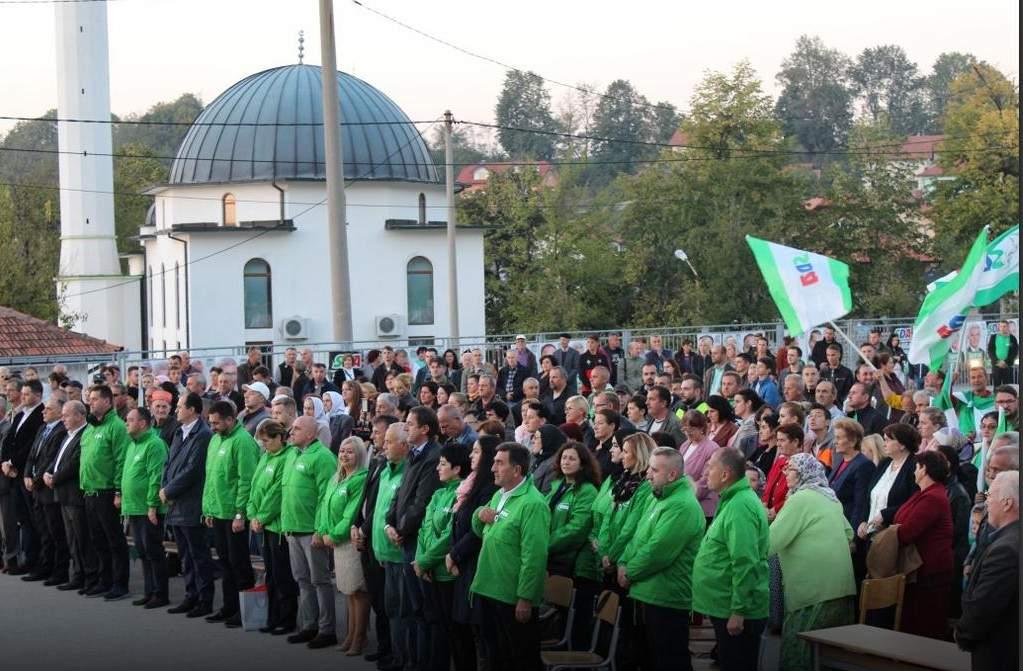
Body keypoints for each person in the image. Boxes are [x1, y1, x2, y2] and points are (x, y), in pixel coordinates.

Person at [617, 446, 704, 671]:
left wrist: (630, 571)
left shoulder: (682, 505)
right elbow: (638, 535)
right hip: (648, 592)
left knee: (669, 660)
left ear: (672, 475)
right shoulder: (658, 496)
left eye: (654, 470)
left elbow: (658, 551)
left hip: (667, 597)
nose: (647, 474)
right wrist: (623, 561)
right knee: (648, 659)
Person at [770, 453, 856, 668]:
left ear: (802, 474)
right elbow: (849, 534)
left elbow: (770, 542)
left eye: (790, 470)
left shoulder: (801, 499)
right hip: (840, 589)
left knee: (800, 657)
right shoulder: (829, 497)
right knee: (830, 659)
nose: (785, 473)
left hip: (813, 592)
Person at [471, 442, 550, 671]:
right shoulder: (499, 494)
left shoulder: (533, 504)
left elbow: (534, 556)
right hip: (488, 588)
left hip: (511, 597)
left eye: (499, 463)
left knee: (518, 659)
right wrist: (478, 515)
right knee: (494, 657)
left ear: (517, 470)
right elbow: (481, 530)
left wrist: (525, 597)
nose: (493, 468)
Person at [693, 446, 770, 671]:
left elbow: (745, 561)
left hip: (736, 609)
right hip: (724, 604)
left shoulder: (740, 506)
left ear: (725, 474)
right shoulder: (732, 499)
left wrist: (739, 610)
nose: (705, 472)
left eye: (710, 467)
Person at [280, 415, 338, 648]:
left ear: (311, 434)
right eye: (292, 427)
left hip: (310, 530)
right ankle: (309, 625)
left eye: (297, 428)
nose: (291, 431)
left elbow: (327, 497)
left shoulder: (323, 457)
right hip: (292, 527)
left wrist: (319, 528)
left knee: (320, 580)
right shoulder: (292, 453)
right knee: (302, 579)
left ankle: (327, 630)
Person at [201, 400, 259, 628]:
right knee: (224, 562)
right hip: (218, 511)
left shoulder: (242, 441)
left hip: (234, 514)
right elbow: (211, 477)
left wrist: (239, 513)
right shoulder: (215, 439)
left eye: (216, 423)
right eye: (210, 422)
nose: (212, 427)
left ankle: (245, 610)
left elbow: (246, 480)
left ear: (229, 419)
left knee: (239, 563)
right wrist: (208, 508)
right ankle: (229, 606)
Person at [413, 443, 470, 671]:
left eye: (443, 464)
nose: (438, 468)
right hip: (428, 571)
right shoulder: (438, 494)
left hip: (446, 575)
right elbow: (424, 529)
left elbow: (449, 536)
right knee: (432, 625)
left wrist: (425, 560)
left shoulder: (460, 494)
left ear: (457, 469)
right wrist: (421, 560)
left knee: (450, 631)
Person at [955, 470, 1019, 671]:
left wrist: (962, 635)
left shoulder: (1006, 550)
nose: (986, 503)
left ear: (1007, 503)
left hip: (999, 653)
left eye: (990, 495)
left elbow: (982, 608)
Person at [446, 436, 500, 671]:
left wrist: (454, 554)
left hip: (475, 564)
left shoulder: (489, 488)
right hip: (463, 563)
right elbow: (458, 522)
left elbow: (476, 532)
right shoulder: (472, 483)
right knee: (460, 629)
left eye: (476, 452)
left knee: (477, 633)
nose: (471, 456)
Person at [161, 392, 216, 616]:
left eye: (180, 406)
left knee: (198, 555)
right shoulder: (178, 432)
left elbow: (193, 470)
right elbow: (170, 463)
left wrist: (169, 490)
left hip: (191, 503)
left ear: (192, 409)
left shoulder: (202, 435)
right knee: (185, 555)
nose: (176, 410)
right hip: (176, 503)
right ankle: (190, 595)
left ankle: (204, 600)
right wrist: (165, 485)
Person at [892, 450, 954, 639]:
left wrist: (891, 531)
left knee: (925, 627)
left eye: (916, 467)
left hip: (930, 573)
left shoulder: (933, 497)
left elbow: (908, 531)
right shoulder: (924, 493)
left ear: (924, 469)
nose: (913, 472)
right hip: (918, 571)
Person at [545, 442, 601, 649]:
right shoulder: (558, 486)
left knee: (577, 623)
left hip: (577, 567)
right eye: (564, 457)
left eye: (572, 458)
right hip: (557, 562)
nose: (566, 462)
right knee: (559, 620)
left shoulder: (587, 491)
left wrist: (544, 545)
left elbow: (576, 530)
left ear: (583, 463)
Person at [317, 435, 369, 655]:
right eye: (341, 451)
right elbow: (324, 504)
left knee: (358, 591)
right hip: (335, 540)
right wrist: (322, 531)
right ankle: (350, 634)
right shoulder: (336, 477)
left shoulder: (360, 479)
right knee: (348, 591)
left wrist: (334, 535)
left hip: (349, 541)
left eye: (350, 451)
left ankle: (359, 637)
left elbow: (352, 514)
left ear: (359, 455)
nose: (344, 455)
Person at [248, 419, 298, 635]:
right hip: (262, 524)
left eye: (267, 441)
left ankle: (286, 618)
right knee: (270, 573)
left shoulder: (287, 458)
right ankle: (272, 616)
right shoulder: (265, 457)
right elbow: (255, 486)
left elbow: (277, 493)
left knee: (282, 574)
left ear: (280, 438)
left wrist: (262, 516)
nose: (264, 445)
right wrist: (252, 513)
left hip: (276, 526)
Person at [119, 407, 169, 608]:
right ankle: (150, 591)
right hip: (133, 506)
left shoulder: (154, 444)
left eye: (130, 420)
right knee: (142, 550)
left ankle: (160, 593)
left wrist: (152, 505)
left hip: (147, 508)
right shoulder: (132, 444)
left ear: (142, 423)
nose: (127, 423)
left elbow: (156, 477)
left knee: (153, 550)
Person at [44, 399, 95, 592]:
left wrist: (54, 477)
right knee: (72, 538)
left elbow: (74, 464)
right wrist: (48, 473)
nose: (63, 418)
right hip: (63, 494)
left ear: (80, 415)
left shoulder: (85, 434)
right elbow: (57, 459)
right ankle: (77, 575)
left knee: (83, 538)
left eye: (66, 415)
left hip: (75, 494)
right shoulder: (67, 435)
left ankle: (89, 577)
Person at [0, 379, 44, 576]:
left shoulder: (39, 415)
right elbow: (9, 441)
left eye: (27, 394)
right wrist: (5, 462)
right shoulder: (19, 416)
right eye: (23, 394)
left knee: (35, 521)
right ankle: (29, 559)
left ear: (38, 395)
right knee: (23, 520)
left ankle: (39, 561)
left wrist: (13, 463)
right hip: (13, 474)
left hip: (25, 473)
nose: (23, 397)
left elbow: (31, 445)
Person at [22, 396, 68, 583]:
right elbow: (32, 455)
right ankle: (45, 566)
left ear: (58, 411)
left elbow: (51, 459)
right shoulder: (42, 429)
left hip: (47, 488)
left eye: (48, 409)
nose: (43, 411)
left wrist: (36, 479)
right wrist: (26, 475)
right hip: (36, 489)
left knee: (55, 532)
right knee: (42, 530)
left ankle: (59, 571)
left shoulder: (60, 430)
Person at [858, 423, 920, 540]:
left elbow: (912, 502)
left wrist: (886, 514)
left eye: (888, 440)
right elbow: (869, 495)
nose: (884, 444)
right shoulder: (884, 463)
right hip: (871, 534)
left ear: (902, 444)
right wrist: (863, 520)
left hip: (894, 536)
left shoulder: (914, 467)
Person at [679, 410, 720, 521]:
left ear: (702, 428)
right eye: (685, 429)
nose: (687, 433)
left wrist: (684, 496)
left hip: (702, 507)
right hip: (683, 502)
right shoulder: (685, 445)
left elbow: (706, 481)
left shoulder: (712, 448)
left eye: (691, 429)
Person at [762, 423, 803, 520]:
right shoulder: (780, 460)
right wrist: (764, 503)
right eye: (777, 440)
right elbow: (768, 484)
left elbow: (796, 495)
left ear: (795, 442)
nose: (778, 444)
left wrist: (775, 510)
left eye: (782, 440)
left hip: (786, 517)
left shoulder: (803, 465)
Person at [987, 319, 1019, 387]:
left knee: (1008, 386)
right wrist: (998, 361)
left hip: (1008, 366)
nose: (1002, 328)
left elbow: (1014, 352)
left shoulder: (1012, 338)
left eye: (1004, 326)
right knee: (996, 386)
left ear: (1008, 327)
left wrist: (1005, 362)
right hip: (996, 365)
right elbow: (990, 351)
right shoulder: (993, 337)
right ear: (999, 327)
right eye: (1001, 326)